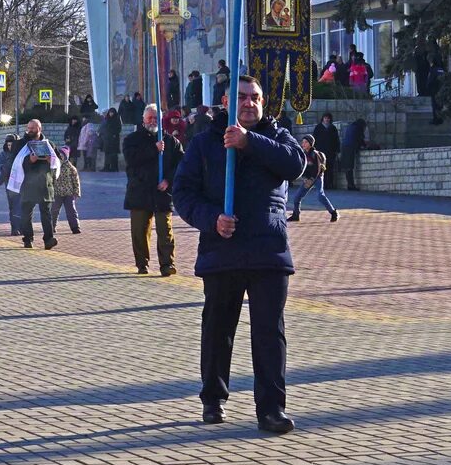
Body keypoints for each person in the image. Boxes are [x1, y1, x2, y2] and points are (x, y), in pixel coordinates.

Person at [172, 74, 304, 432]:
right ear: (227, 102)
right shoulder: (204, 143)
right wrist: (211, 219)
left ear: (263, 102)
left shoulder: (276, 136)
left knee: (269, 332)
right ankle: (213, 399)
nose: (249, 103)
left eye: (255, 97)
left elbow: (296, 165)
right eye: (241, 97)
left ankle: (271, 409)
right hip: (222, 249)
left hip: (267, 249)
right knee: (218, 328)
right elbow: (183, 194)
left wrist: (249, 142)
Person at [124, 103, 184, 276]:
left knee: (165, 230)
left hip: (162, 192)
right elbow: (131, 160)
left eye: (156, 118)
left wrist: (168, 180)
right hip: (140, 191)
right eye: (150, 117)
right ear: (143, 119)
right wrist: (154, 149)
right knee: (140, 230)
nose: (153, 121)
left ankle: (167, 264)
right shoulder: (132, 140)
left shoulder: (172, 141)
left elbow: (181, 164)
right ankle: (142, 263)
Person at [9, 120, 61, 250]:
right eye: (29, 128)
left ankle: (48, 239)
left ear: (40, 128)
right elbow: (14, 161)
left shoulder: (49, 144)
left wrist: (51, 160)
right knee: (26, 214)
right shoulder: (20, 144)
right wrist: (29, 160)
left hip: (45, 184)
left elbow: (58, 161)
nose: (30, 130)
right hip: (28, 184)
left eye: (33, 128)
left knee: (46, 213)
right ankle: (28, 239)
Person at [287, 135, 338, 222]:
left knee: (320, 196)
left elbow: (318, 169)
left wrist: (311, 179)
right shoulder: (303, 154)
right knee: (297, 197)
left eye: (306, 142)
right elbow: (303, 168)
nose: (303, 144)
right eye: (302, 142)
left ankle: (333, 213)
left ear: (311, 143)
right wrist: (305, 178)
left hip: (317, 178)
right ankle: (296, 215)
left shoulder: (315, 154)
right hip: (308, 179)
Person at [51, 146, 82, 236]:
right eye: (59, 155)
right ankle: (51, 226)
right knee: (54, 211)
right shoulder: (54, 167)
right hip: (57, 193)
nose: (61, 157)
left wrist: (76, 192)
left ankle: (75, 227)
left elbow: (76, 181)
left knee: (71, 211)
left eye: (63, 156)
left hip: (69, 193)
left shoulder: (71, 168)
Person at [338, 117, 367, 191]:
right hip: (350, 148)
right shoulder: (358, 128)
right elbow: (359, 139)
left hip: (345, 147)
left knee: (348, 167)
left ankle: (350, 184)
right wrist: (365, 146)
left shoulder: (351, 126)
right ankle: (351, 185)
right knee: (349, 167)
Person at [100, 107, 123, 173]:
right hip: (107, 139)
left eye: (112, 112)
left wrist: (114, 134)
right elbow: (104, 128)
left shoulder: (117, 119)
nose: (111, 114)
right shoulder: (107, 119)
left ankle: (114, 167)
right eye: (110, 112)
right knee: (107, 154)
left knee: (113, 154)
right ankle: (106, 167)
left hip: (114, 139)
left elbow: (119, 128)